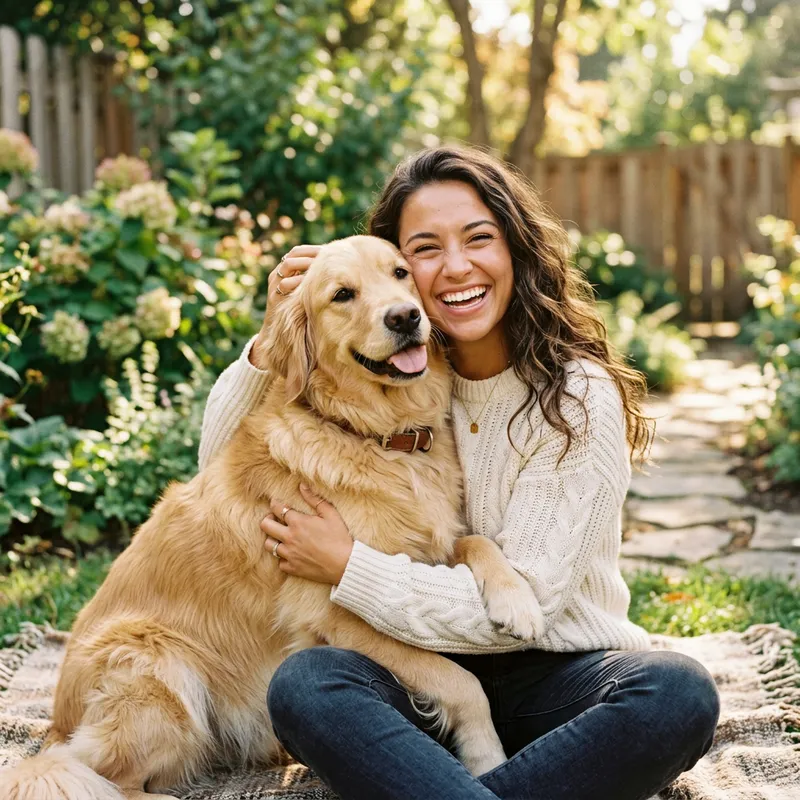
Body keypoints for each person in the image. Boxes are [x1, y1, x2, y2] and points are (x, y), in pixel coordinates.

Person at [198, 146, 720, 800]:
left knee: (677, 693)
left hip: (556, 680)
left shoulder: (573, 397)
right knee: (305, 684)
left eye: (479, 239)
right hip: (415, 675)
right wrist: (274, 328)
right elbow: (215, 458)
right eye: (424, 249)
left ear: (515, 249)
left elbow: (523, 606)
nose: (455, 267)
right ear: (402, 269)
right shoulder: (392, 379)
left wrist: (348, 566)